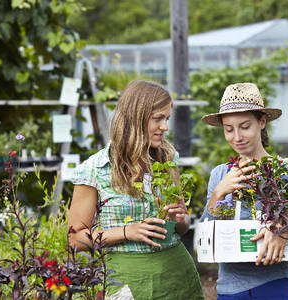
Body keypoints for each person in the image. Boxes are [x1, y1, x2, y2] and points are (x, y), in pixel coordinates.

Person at [200, 82, 288, 300]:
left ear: (262, 121)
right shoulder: (220, 175)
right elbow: (205, 233)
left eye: (245, 126)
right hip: (229, 289)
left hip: (273, 285)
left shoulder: (283, 170)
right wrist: (218, 194)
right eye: (229, 129)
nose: (237, 137)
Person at [68, 80, 204, 300]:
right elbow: (74, 239)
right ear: (136, 118)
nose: (165, 127)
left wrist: (179, 217)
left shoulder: (167, 158)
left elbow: (182, 228)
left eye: (167, 119)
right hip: (125, 279)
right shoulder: (95, 169)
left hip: (176, 276)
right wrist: (126, 232)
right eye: (158, 119)